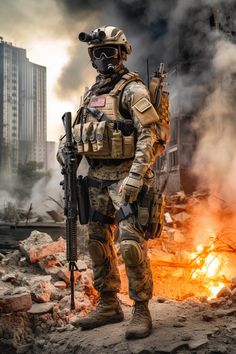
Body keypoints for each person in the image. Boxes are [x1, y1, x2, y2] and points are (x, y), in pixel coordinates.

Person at [57, 25, 168, 339]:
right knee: (97, 244)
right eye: (98, 53)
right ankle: (108, 304)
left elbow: (150, 134)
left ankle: (141, 310)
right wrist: (63, 153)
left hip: (125, 180)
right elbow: (76, 134)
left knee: (131, 245)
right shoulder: (91, 94)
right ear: (93, 58)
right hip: (96, 181)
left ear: (122, 53)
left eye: (110, 51)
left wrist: (135, 175)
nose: (105, 58)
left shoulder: (133, 90)